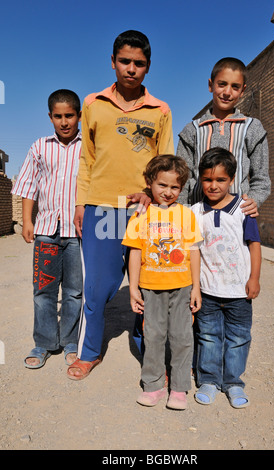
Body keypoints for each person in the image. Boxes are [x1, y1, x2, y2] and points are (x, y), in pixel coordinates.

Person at [67, 30, 174, 380]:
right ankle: (90, 352)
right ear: (113, 62)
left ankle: (153, 355)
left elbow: (166, 162)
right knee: (98, 285)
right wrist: (83, 202)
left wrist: (152, 196)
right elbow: (87, 159)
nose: (131, 69)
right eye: (125, 61)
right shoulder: (93, 103)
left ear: (148, 67)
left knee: (149, 285)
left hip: (143, 211)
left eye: (139, 63)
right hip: (102, 208)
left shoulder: (160, 110)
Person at [122, 155, 202, 410]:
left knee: (181, 337)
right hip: (151, 288)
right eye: (162, 185)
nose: (168, 192)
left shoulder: (186, 215)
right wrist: (133, 288)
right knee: (153, 336)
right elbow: (134, 252)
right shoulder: (140, 215)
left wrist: (196, 288)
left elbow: (193, 251)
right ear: (149, 182)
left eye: (175, 187)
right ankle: (153, 385)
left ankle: (179, 388)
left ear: (182, 188)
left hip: (182, 288)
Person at [11, 89, 82, 369]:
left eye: (69, 116)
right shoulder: (39, 146)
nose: (64, 122)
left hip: (78, 233)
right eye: (58, 116)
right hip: (46, 231)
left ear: (78, 115)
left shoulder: (88, 147)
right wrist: (28, 221)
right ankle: (43, 342)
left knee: (75, 291)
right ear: (50, 117)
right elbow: (29, 186)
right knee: (43, 290)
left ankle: (71, 341)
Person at [191, 147, 261, 409]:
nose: (213, 185)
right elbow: (194, 250)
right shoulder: (195, 212)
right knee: (208, 336)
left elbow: (254, 245)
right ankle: (208, 379)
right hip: (208, 291)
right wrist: (195, 287)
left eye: (220, 179)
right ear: (200, 179)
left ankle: (233, 383)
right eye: (208, 179)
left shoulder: (244, 209)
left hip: (239, 292)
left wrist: (254, 278)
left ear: (231, 179)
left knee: (238, 338)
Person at [177, 57, 271, 215]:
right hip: (197, 217)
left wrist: (253, 200)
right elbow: (182, 177)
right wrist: (181, 211)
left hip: (237, 218)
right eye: (222, 84)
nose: (227, 92)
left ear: (242, 91)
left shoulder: (252, 127)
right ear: (210, 85)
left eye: (235, 87)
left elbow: (261, 176)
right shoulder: (192, 130)